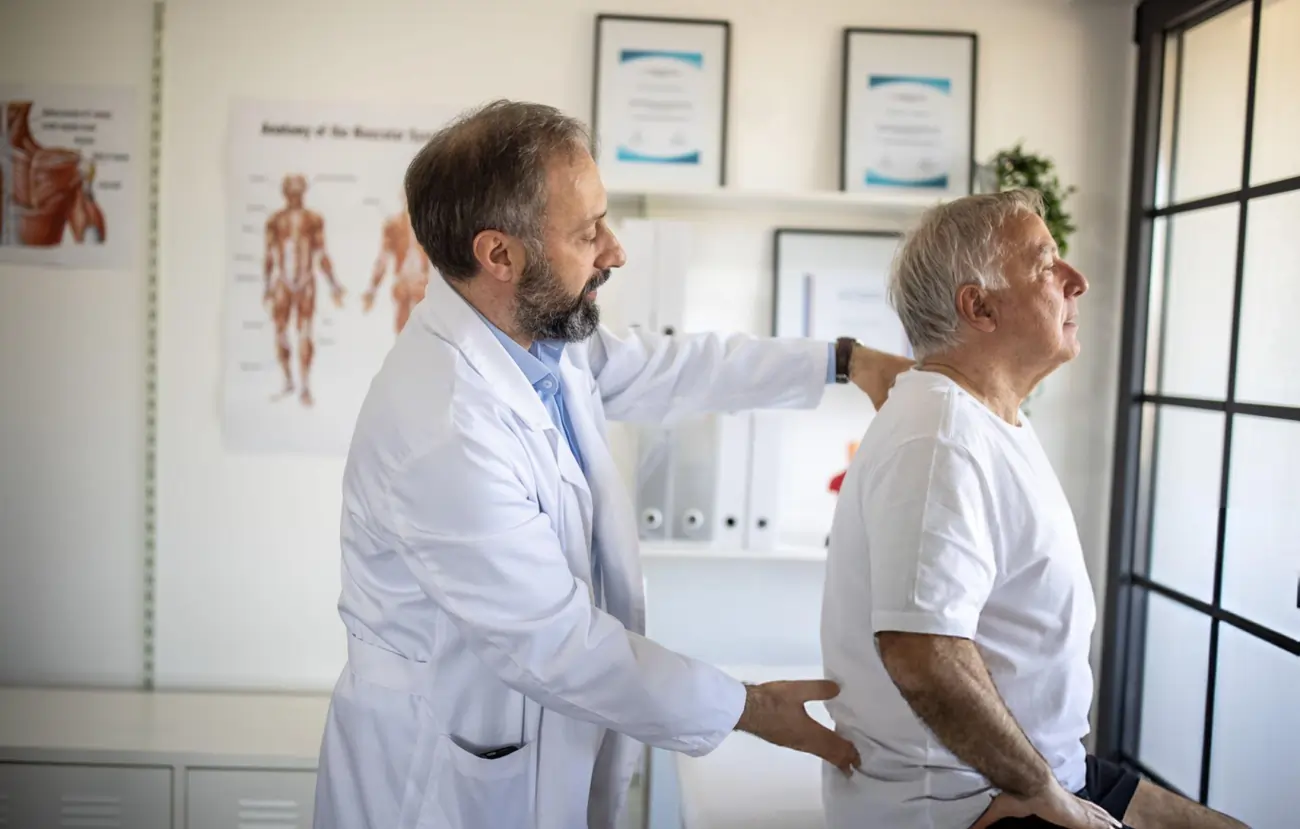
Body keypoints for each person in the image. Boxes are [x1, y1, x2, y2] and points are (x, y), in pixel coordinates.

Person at [311, 99, 913, 829]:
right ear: (499, 255)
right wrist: (750, 708)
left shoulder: (534, 339)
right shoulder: (443, 429)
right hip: (439, 782)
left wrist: (843, 361)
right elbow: (561, 646)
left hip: (534, 739)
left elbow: (671, 367)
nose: (615, 250)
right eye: (587, 231)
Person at [819, 190, 1251, 829]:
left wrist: (1052, 779)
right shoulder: (940, 435)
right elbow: (922, 654)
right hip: (975, 802)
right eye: (1048, 265)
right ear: (979, 306)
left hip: (1040, 768)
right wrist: (1045, 793)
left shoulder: (987, 420)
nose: (1077, 280)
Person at [263, 173, 345, 407]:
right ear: (285, 194)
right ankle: (289, 379)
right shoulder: (275, 220)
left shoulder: (313, 219)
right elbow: (269, 255)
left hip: (306, 281)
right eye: (291, 193)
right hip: (282, 281)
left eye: (298, 193)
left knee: (305, 333)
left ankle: (305, 385)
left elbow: (320, 253)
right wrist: (267, 285)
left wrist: (333, 284)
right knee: (280, 331)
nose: (295, 197)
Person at [361, 201, 433, 334]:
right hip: (404, 284)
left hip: (423, 284)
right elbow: (383, 261)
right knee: (404, 328)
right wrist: (372, 290)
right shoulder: (393, 226)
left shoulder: (431, 225)